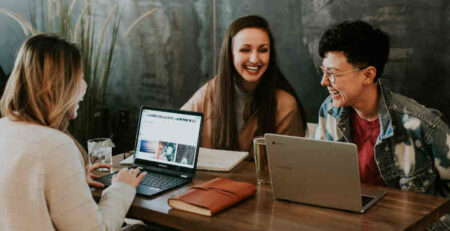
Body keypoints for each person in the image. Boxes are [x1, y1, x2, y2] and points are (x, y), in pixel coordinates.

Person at [0, 34, 147, 231]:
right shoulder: (56, 145)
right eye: (80, 77)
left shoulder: (4, 128)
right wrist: (121, 188)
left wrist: (71, 179)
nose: (84, 86)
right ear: (58, 86)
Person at [314, 20, 450, 229]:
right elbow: (317, 177)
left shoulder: (420, 124)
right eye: (323, 71)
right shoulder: (330, 110)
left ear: (368, 75)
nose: (324, 81)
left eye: (332, 73)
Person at [182, 15, 307, 152]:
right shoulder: (209, 92)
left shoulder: (285, 105)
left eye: (263, 50)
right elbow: (175, 136)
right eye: (245, 50)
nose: (254, 59)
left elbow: (288, 168)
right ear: (230, 54)